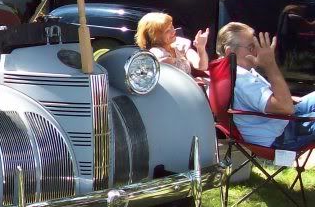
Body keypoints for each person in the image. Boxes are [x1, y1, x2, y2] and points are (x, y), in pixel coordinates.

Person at [216, 21, 315, 150]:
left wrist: (289, 100)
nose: (257, 50)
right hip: (280, 135)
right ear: (230, 53)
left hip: (279, 121)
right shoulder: (241, 79)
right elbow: (286, 109)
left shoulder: (237, 71)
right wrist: (270, 64)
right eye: (251, 47)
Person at [135, 12, 209, 75]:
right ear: (156, 37)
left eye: (172, 26)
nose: (173, 31)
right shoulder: (157, 53)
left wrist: (201, 47)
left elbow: (202, 66)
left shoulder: (180, 44)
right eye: (167, 31)